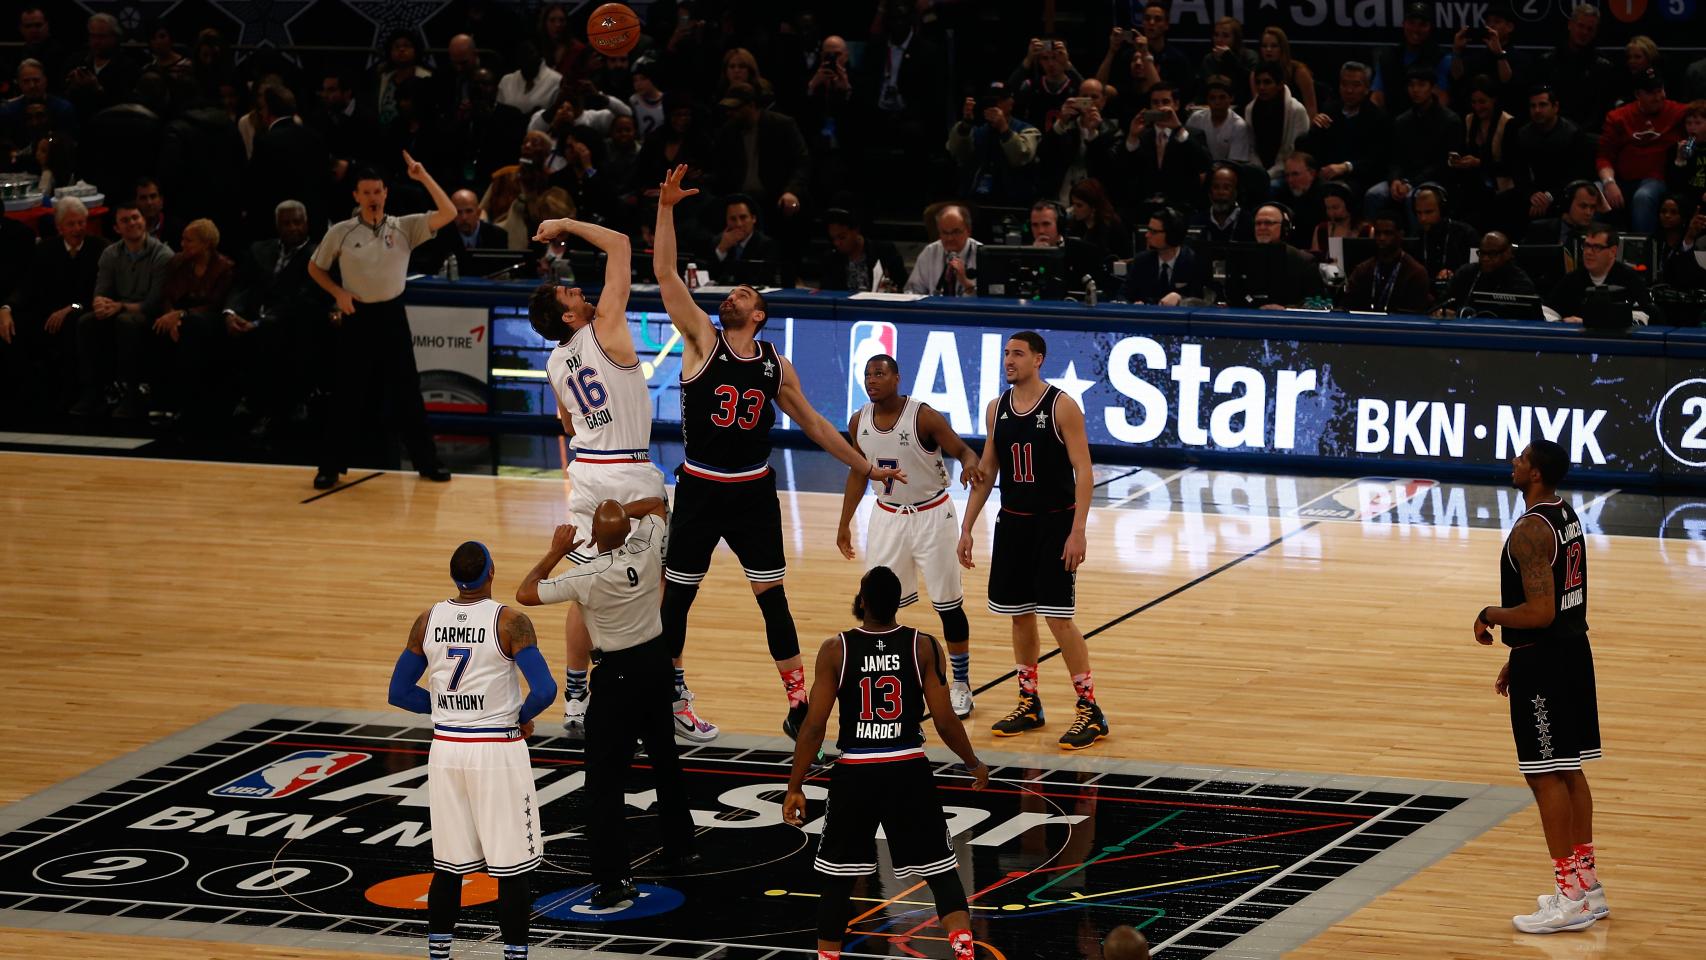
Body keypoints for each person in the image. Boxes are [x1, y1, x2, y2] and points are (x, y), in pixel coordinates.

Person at [652, 164, 904, 738]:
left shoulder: (774, 364)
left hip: (752, 491)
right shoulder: (701, 340)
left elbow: (815, 424)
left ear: (759, 314)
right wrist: (666, 208)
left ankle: (797, 703)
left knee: (772, 599)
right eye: (731, 293)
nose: (732, 296)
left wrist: (865, 466)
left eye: (743, 294)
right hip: (700, 485)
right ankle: (672, 694)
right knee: (677, 599)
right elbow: (665, 272)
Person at [526, 213, 717, 744]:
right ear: (569, 317)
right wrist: (565, 223)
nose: (580, 291)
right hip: (628, 472)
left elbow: (568, 424)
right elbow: (620, 245)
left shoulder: (555, 361)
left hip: (587, 473)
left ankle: (577, 699)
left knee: (587, 589)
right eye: (570, 293)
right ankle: (672, 697)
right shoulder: (603, 326)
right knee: (661, 591)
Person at [781, 565, 989, 960]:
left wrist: (795, 786)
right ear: (897, 604)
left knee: (838, 882)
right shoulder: (923, 646)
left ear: (862, 602)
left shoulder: (836, 649)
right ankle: (964, 952)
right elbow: (945, 720)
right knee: (941, 872)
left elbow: (813, 727)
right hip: (908, 769)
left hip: (856, 772)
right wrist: (972, 762)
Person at [516, 500, 699, 908]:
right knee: (665, 759)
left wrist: (555, 552)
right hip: (657, 665)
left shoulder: (585, 575)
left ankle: (615, 879)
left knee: (603, 782)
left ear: (595, 535)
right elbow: (657, 505)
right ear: (626, 530)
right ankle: (682, 847)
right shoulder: (647, 547)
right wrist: (618, 514)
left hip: (618, 678)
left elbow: (525, 592)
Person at [386, 541, 555, 960]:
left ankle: (438, 954)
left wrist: (446, 708)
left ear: (454, 577)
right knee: (512, 867)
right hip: (496, 751)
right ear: (491, 571)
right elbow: (545, 690)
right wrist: (518, 716)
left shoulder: (428, 620)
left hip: (446, 750)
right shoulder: (511, 622)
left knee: (448, 866)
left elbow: (399, 692)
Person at [1472, 440, 1607, 934]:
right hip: (1570, 652)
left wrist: (1489, 614)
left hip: (1547, 663)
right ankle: (1588, 886)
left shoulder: (1530, 530)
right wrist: (1517, 655)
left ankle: (1569, 898)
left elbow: (1541, 611)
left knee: (1544, 775)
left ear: (1534, 474)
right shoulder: (1564, 515)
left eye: (1522, 458)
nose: (1514, 462)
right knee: (1569, 770)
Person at [956, 332, 1109, 749]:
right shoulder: (997, 408)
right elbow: (988, 469)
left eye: (1018, 354)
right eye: (1006, 353)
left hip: (1054, 526)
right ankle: (1029, 702)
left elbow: (1084, 471)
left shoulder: (1061, 406)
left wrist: (1078, 530)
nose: (1009, 360)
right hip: (1013, 525)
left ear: (1038, 359)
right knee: (1019, 616)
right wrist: (967, 527)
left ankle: (1090, 708)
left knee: (1058, 619)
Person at [836, 356, 985, 717]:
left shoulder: (923, 416)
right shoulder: (858, 421)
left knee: (948, 604)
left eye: (880, 373)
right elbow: (858, 472)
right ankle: (890, 682)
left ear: (897, 378)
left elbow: (964, 450)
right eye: (867, 374)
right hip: (887, 517)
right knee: (878, 607)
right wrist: (844, 523)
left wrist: (969, 465)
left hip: (933, 514)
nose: (872, 380)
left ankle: (961, 684)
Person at [307, 153, 454, 489]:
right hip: (357, 317)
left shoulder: (404, 227)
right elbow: (315, 267)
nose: (373, 197)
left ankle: (428, 463)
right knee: (346, 394)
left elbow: (449, 213)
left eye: (377, 191)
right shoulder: (342, 232)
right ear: (356, 196)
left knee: (408, 393)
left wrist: (423, 176)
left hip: (392, 316)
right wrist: (337, 292)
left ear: (386, 193)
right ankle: (330, 467)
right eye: (366, 192)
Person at [224, 200, 325, 438]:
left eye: (297, 222)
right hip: (252, 315)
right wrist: (230, 313)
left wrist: (260, 323)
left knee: (278, 333)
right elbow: (241, 286)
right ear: (277, 225)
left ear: (306, 224)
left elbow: (304, 298)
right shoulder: (258, 249)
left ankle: (271, 408)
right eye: (286, 223)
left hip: (290, 321)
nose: (292, 228)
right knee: (207, 327)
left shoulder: (318, 255)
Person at [0, 197, 105, 417]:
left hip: (83, 309)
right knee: (17, 324)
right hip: (49, 312)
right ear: (60, 227)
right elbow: (28, 286)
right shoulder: (46, 249)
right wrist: (7, 308)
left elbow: (96, 295)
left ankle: (73, 394)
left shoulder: (99, 249)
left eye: (81, 223)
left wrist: (71, 307)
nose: (78, 228)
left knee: (73, 322)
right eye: (71, 224)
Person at [73, 201, 173, 419]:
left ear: (144, 221)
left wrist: (120, 306)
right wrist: (100, 305)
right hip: (119, 310)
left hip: (150, 315)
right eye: (125, 220)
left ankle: (132, 394)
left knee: (126, 322)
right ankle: (94, 392)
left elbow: (153, 303)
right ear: (117, 228)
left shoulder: (162, 255)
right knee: (86, 321)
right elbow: (101, 292)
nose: (132, 223)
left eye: (136, 218)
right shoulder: (110, 253)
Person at [1597, 70, 1685, 235]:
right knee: (1593, 191)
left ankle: (1643, 248)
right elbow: (1604, 156)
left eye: (1660, 90)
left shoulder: (1678, 112)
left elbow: (1700, 115)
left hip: (1656, 180)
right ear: (1638, 94)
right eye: (1652, 93)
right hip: (1621, 180)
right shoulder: (1618, 117)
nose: (1658, 97)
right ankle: (1590, 246)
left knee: (1643, 197)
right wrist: (1609, 182)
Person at [1369, 68, 1463, 221]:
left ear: (1432, 88)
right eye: (1411, 85)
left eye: (1421, 85)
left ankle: (1418, 236)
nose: (1415, 90)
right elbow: (1395, 158)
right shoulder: (1402, 121)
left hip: (1435, 180)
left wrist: (1410, 183)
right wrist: (1395, 180)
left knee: (1415, 198)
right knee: (1374, 195)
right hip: (1404, 178)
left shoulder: (1450, 121)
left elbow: (1443, 163)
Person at [1301, 61, 1391, 202]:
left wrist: (1346, 167)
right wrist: (1315, 127)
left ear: (1367, 88)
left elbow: (1377, 161)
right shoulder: (1330, 111)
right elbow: (1315, 148)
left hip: (1359, 178)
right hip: (1326, 173)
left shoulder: (1378, 118)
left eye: (1356, 85)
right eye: (1344, 84)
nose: (1349, 90)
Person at [946, 81, 1039, 207]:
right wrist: (965, 124)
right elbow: (957, 153)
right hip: (977, 199)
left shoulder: (1028, 130)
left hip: (1014, 202)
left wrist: (1004, 128)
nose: (995, 105)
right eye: (991, 101)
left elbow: (1020, 157)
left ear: (1011, 103)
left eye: (1000, 100)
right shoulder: (976, 131)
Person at [1515, 87, 1597, 223]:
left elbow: (1577, 175)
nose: (1537, 110)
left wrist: (1549, 196)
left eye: (1542, 105)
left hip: (1566, 192)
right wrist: (1532, 194)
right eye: (1533, 106)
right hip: (1536, 193)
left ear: (1555, 107)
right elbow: (1519, 172)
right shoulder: (1523, 135)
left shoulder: (1573, 133)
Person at [1544, 223, 1655, 323]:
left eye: (1596, 247)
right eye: (1586, 246)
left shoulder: (1630, 279)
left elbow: (1641, 317)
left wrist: (1587, 323)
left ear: (1613, 251)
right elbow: (1547, 312)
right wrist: (1560, 322)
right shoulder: (1572, 279)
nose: (1588, 252)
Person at [1535, 4, 1615, 134]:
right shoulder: (1547, 62)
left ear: (1595, 33)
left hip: (1589, 135)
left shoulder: (1603, 67)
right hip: (1551, 131)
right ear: (1570, 25)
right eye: (1580, 26)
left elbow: (1602, 109)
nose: (1584, 32)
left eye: (1590, 29)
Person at [1343, 211, 1431, 314]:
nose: (1382, 238)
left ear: (1400, 234)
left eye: (1388, 233)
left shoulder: (1415, 273)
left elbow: (1417, 313)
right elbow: (1347, 305)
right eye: (1378, 233)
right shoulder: (1362, 271)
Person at [1371, 2, 1452, 110]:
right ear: (1403, 24)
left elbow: (1442, 99)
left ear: (1430, 27)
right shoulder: (1388, 57)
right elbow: (1377, 97)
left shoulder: (1441, 58)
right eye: (1411, 23)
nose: (1416, 29)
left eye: (1422, 24)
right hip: (1392, 118)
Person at [1441, 231, 1539, 315]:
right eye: (1482, 253)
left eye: (1492, 254)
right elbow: (1443, 303)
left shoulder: (1520, 282)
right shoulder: (1466, 273)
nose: (1485, 258)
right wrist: (1444, 312)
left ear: (1507, 253)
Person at [1246, 62, 1310, 187]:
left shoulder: (1296, 110)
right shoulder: (1250, 109)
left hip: (1288, 171)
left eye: (1267, 82)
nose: (1261, 87)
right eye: (1258, 82)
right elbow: (1251, 148)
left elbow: (1295, 151)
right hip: (1259, 170)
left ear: (1280, 84)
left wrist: (1269, 175)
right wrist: (1260, 173)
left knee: (1272, 187)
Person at [1249, 204, 1325, 307]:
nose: (1262, 228)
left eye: (1268, 223)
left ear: (1285, 227)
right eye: (1258, 223)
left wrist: (1286, 309)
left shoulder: (1304, 261)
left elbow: (1315, 301)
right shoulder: (1243, 259)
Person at [1124, 207, 1203, 304]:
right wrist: (1133, 305)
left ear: (1172, 235)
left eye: (1153, 232)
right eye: (1148, 230)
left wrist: (1181, 299)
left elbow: (1201, 301)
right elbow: (1123, 296)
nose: (1147, 235)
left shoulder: (1193, 262)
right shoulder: (1141, 261)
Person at [819, 208, 904, 292]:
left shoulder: (884, 251)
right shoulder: (831, 259)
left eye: (842, 237)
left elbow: (902, 285)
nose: (837, 243)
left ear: (856, 230)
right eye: (833, 239)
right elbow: (826, 292)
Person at [904, 205, 981, 296]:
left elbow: (990, 298)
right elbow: (912, 291)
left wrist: (966, 283)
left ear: (968, 231)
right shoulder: (930, 252)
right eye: (944, 232)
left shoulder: (981, 254)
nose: (950, 238)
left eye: (956, 232)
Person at [704, 194, 780, 285]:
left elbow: (763, 279)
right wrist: (722, 250)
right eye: (733, 219)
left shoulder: (766, 244)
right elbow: (709, 277)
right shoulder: (718, 242)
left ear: (753, 218)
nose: (738, 224)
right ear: (727, 221)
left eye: (743, 217)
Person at [1412, 184, 1477, 280]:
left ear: (1443, 210)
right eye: (1419, 213)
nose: (1423, 218)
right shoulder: (1416, 238)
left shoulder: (1468, 234)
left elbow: (1476, 269)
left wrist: (1457, 275)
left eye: (1429, 212)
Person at [1186, 75, 1253, 164]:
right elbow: (1187, 149)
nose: (1217, 102)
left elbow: (1236, 162)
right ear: (1207, 99)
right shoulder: (1196, 118)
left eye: (1222, 97)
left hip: (1227, 169)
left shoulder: (1238, 126)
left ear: (1231, 98)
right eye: (1212, 98)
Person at [1311, 182, 1371, 256]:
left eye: (1335, 208)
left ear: (1349, 205)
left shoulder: (1366, 230)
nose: (1331, 213)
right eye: (1328, 208)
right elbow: (1314, 258)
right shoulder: (1321, 229)